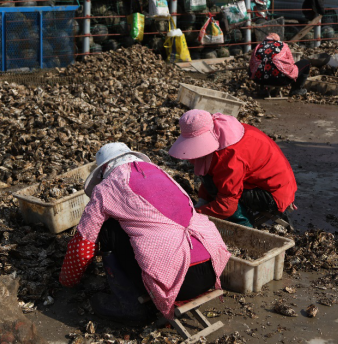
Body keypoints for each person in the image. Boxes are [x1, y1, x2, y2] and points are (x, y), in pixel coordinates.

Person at [59, 143, 231, 323]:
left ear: (103, 169)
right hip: (212, 269)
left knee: (108, 229)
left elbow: (84, 242)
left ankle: (129, 306)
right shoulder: (160, 173)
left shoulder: (106, 188)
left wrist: (68, 279)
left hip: (179, 282)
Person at [168, 110, 297, 229]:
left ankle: (246, 228)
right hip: (264, 181)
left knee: (217, 186)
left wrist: (196, 214)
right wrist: (203, 200)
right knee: (212, 179)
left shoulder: (229, 156)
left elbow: (227, 206)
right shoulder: (223, 131)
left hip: (273, 193)